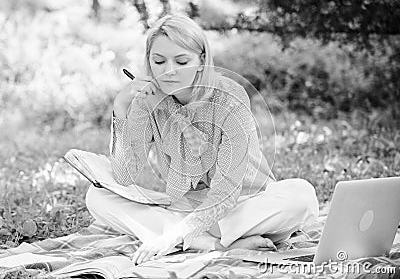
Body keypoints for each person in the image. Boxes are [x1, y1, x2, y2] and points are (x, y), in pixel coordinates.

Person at [85, 14, 319, 265]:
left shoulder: (229, 96)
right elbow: (124, 175)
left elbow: (227, 189)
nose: (169, 71)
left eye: (182, 60)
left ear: (201, 60)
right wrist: (121, 108)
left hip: (245, 205)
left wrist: (175, 233)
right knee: (97, 196)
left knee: (301, 195)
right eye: (159, 61)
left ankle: (188, 236)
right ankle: (212, 244)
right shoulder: (147, 101)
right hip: (189, 210)